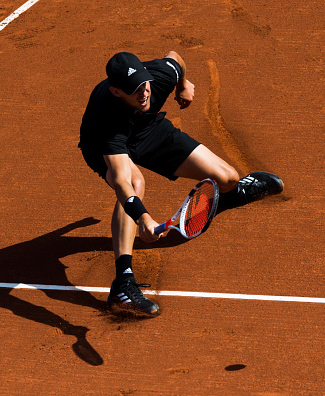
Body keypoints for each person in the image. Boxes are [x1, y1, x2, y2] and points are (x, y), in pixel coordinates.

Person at [79, 51, 283, 316]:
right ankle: (123, 283)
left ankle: (224, 199)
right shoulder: (108, 115)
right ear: (117, 92)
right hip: (106, 145)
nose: (143, 93)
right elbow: (120, 182)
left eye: (144, 84)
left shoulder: (157, 78)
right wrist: (143, 218)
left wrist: (183, 84)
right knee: (134, 181)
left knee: (229, 178)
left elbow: (175, 56)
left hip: (148, 130)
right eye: (134, 90)